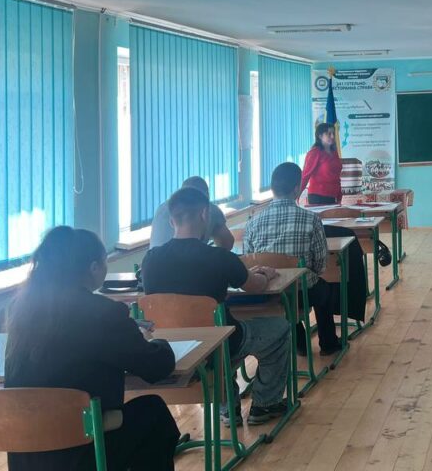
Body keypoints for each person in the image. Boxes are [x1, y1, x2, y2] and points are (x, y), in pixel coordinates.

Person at [5, 227, 179, 470]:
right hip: (81, 452)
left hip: (26, 453)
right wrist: (155, 341)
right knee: (155, 413)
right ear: (94, 268)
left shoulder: (23, 311)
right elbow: (157, 366)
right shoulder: (103, 313)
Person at [141, 186, 291, 426]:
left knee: (216, 336)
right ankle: (266, 403)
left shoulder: (150, 260)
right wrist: (265, 274)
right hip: (222, 344)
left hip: (173, 348)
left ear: (171, 221)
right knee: (279, 328)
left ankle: (227, 408)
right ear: (204, 215)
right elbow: (255, 286)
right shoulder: (220, 258)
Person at [244, 162, 341, 357]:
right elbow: (320, 265)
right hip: (302, 293)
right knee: (323, 288)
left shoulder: (253, 222)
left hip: (268, 294)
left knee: (287, 298)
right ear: (297, 189)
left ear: (272, 188)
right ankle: (328, 343)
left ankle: (300, 343)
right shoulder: (311, 219)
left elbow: (250, 263)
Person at [149, 175, 235, 250]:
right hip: (188, 262)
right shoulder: (210, 209)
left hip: (155, 261)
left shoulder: (161, 208)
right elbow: (227, 244)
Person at [301, 122, 343, 205]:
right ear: (320, 136)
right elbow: (305, 175)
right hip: (317, 196)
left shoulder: (334, 152)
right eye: (328, 134)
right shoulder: (315, 152)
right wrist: (297, 196)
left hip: (333, 195)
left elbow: (336, 176)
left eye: (333, 133)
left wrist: (339, 195)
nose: (332, 136)